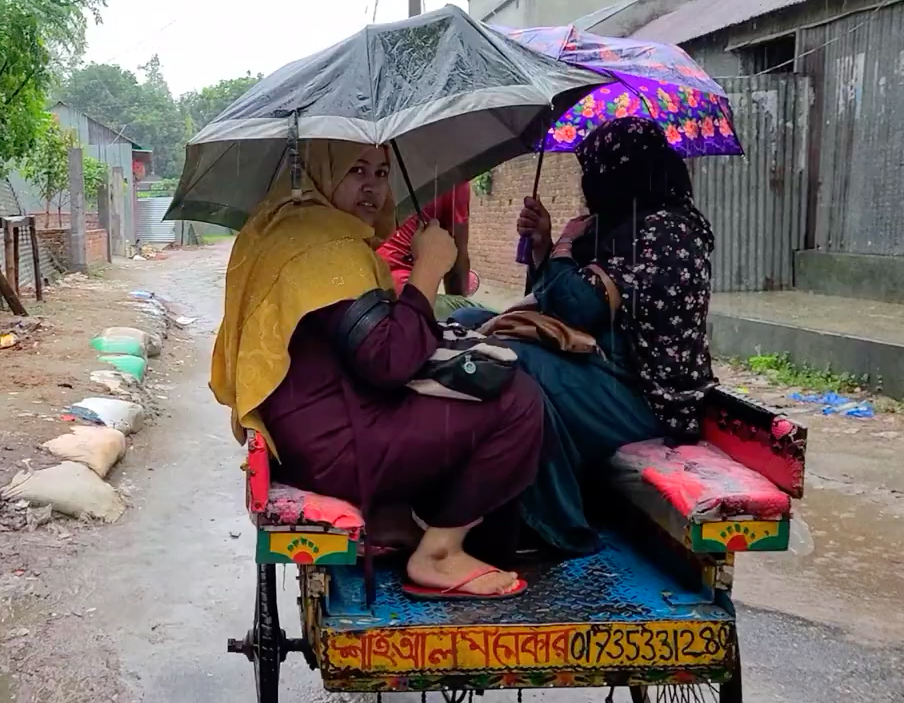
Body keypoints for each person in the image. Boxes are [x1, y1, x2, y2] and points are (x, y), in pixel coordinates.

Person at [211, 140, 545, 598]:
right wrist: (428, 266)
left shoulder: (289, 228)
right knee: (519, 399)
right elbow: (390, 361)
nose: (372, 187)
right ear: (321, 174)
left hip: (304, 432)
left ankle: (398, 521)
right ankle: (440, 554)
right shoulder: (325, 249)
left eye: (382, 173)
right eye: (356, 171)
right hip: (335, 447)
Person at [452, 117, 716, 554]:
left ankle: (554, 520)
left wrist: (561, 247)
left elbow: (580, 305)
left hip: (645, 400)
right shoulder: (628, 225)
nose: (586, 189)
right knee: (469, 319)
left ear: (618, 176)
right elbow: (557, 301)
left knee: (507, 362)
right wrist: (543, 244)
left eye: (591, 176)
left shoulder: (666, 231)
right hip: (605, 369)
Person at [375, 183, 481, 319]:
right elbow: (458, 262)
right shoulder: (453, 179)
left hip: (368, 292)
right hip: (407, 296)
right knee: (477, 313)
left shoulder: (380, 180)